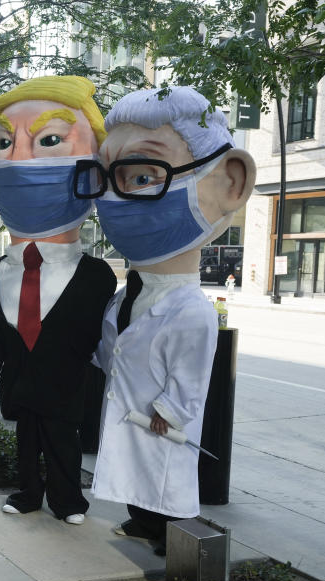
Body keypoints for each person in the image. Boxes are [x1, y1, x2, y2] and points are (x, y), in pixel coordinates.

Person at [77, 86, 255, 555]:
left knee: (165, 476)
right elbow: (109, 347)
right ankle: (142, 521)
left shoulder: (191, 308)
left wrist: (170, 412)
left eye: (139, 176)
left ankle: (172, 534)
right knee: (136, 474)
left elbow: (193, 374)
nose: (114, 200)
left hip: (158, 417)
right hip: (129, 407)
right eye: (106, 179)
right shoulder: (125, 296)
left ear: (228, 183)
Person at [0, 76, 117, 525]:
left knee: (63, 440)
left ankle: (69, 500)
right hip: (20, 381)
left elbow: (102, 337)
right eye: (5, 142)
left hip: (66, 383)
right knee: (25, 439)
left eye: (50, 139)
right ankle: (28, 491)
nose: (20, 158)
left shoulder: (95, 275)